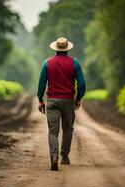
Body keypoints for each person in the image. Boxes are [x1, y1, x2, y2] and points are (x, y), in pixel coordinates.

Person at [37, 37, 86, 171]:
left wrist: (40, 99)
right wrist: (78, 98)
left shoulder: (47, 63)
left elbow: (41, 84)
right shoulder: (74, 63)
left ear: (55, 49)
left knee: (53, 132)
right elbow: (82, 84)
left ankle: (54, 156)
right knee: (68, 129)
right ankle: (64, 156)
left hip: (52, 101)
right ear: (67, 49)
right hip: (68, 101)